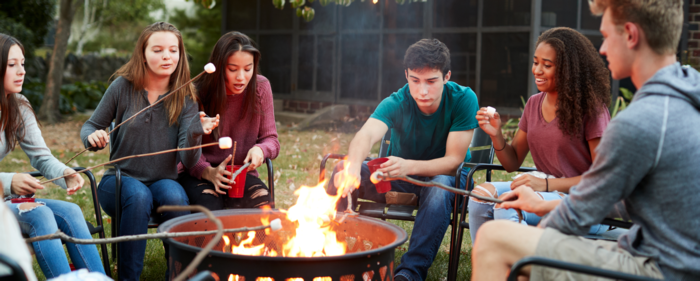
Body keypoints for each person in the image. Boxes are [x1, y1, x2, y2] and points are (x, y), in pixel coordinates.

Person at [471, 0, 700, 280]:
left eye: (604, 36)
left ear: (630, 34)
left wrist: (529, 247)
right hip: (663, 254)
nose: (602, 49)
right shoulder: (687, 98)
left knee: (497, 239)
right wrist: (541, 205)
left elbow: (580, 212)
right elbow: (626, 198)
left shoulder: (642, 121)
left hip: (656, 268)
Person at [326, 38, 479, 281]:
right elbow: (364, 136)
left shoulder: (463, 99)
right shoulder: (397, 101)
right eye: (415, 81)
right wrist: (354, 167)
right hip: (399, 180)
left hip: (447, 184)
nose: (422, 91)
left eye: (431, 81)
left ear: (447, 76)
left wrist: (407, 165)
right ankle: (331, 255)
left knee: (440, 185)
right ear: (406, 74)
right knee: (341, 169)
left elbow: (453, 161)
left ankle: (409, 273)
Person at [80, 22, 218, 280]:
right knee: (139, 196)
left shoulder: (185, 97)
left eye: (173, 50)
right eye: (157, 50)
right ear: (143, 53)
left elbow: (189, 160)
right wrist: (93, 137)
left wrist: (196, 131)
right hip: (118, 180)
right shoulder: (122, 87)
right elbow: (90, 126)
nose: (167, 56)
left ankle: (179, 274)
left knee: (175, 198)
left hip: (163, 180)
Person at [467, 27, 612, 243]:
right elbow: (512, 162)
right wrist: (496, 134)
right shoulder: (534, 104)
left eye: (547, 65)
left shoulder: (592, 110)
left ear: (568, 70)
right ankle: (489, 267)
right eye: (536, 62)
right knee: (480, 197)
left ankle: (520, 272)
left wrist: (544, 185)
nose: (537, 70)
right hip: (546, 189)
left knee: (509, 204)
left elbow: (602, 178)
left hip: (584, 203)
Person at [1, 33, 105, 278]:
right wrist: (8, 182)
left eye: (23, 64)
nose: (21, 71)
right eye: (11, 64)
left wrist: (66, 173)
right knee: (40, 214)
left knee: (72, 212)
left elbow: (41, 157)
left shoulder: (19, 105)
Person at [178, 31, 279, 210]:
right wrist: (208, 171)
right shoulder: (196, 93)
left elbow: (271, 139)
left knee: (262, 203)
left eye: (248, 69)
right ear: (218, 67)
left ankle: (260, 240)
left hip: (238, 175)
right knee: (210, 206)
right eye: (233, 69)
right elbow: (185, 148)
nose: (241, 77)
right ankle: (214, 239)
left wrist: (260, 150)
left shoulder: (261, 88)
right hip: (198, 174)